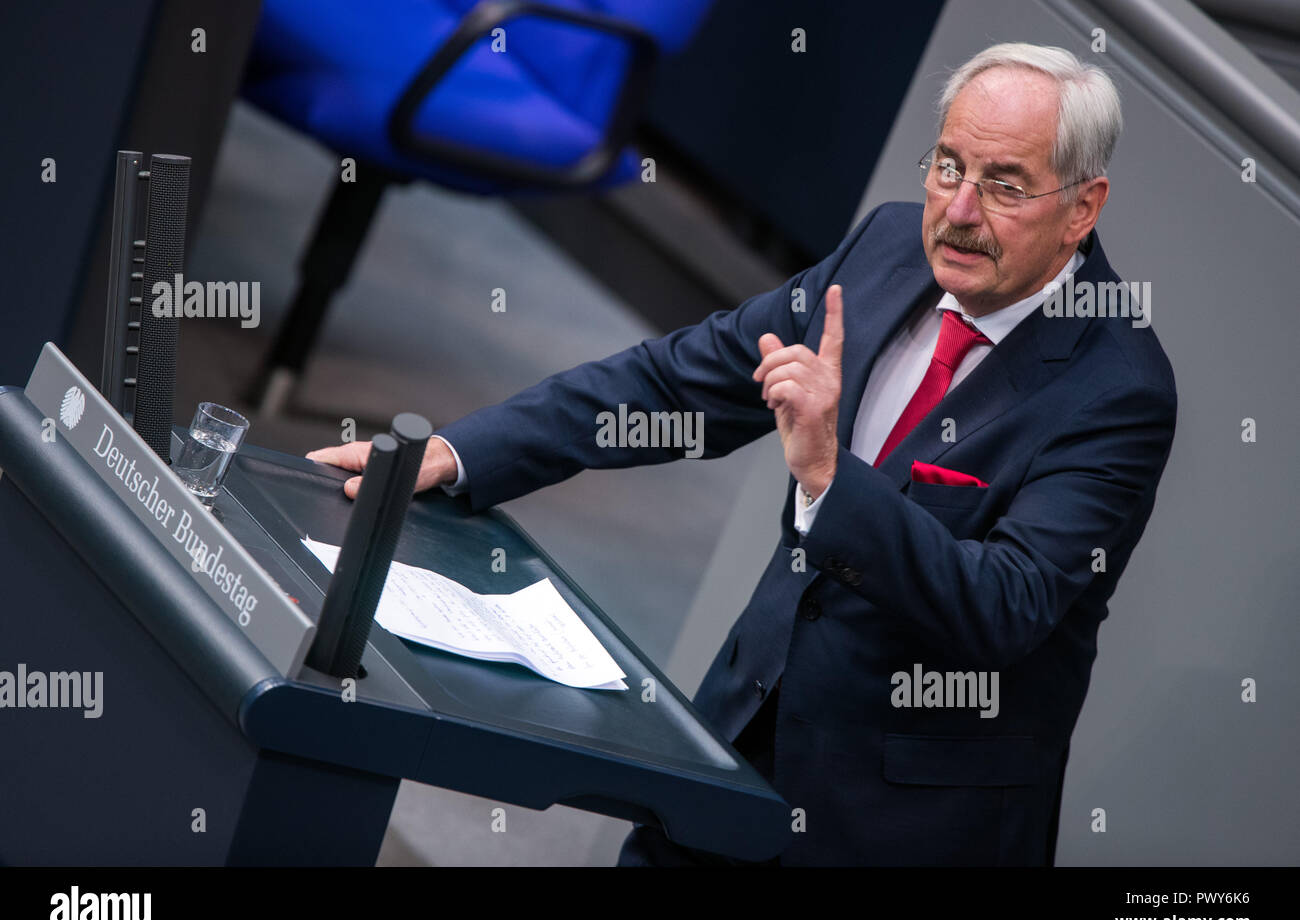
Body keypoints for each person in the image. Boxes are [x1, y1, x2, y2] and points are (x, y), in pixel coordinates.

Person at [307, 42, 1176, 865]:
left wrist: (831, 479)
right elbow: (677, 383)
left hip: (901, 826)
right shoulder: (881, 250)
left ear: (1082, 209)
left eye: (1004, 185)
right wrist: (466, 451)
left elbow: (1003, 605)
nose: (957, 211)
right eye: (949, 165)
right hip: (733, 744)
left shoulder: (1116, 391)